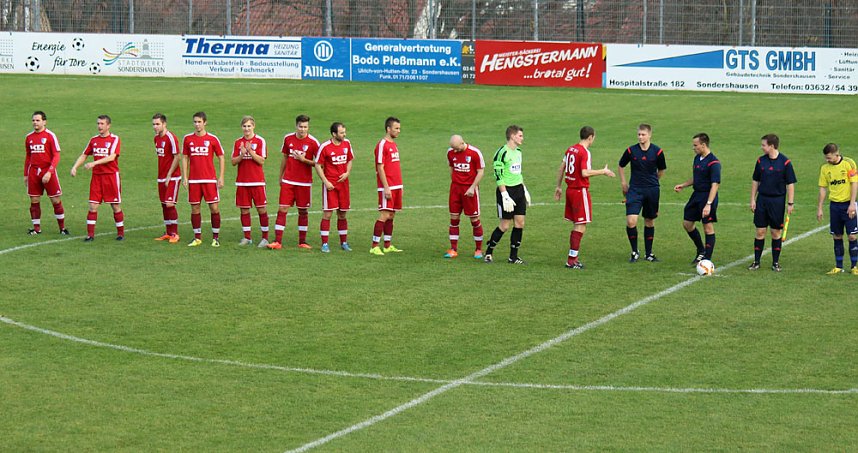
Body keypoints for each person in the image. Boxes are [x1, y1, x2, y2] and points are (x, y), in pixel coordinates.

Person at [553, 126, 615, 269]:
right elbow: (585, 172)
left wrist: (558, 186)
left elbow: (561, 167)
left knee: (577, 224)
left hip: (569, 190)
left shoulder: (570, 149)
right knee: (581, 225)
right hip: (580, 191)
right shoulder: (584, 152)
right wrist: (603, 171)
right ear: (590, 137)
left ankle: (572, 258)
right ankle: (571, 260)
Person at [269, 114, 320, 250]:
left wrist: (305, 161)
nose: (303, 129)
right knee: (282, 208)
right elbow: (285, 158)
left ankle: (302, 241)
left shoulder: (313, 143)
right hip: (288, 180)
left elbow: (320, 163)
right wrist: (281, 176)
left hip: (304, 182)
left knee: (303, 211)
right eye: (300, 126)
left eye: (305, 127)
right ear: (296, 126)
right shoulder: (288, 139)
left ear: (308, 127)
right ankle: (277, 241)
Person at [70, 114, 124, 242]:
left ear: (108, 125)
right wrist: (75, 167)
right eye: (98, 123)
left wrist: (94, 163)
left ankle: (120, 233)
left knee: (115, 206)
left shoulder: (115, 139)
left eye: (102, 124)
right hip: (97, 178)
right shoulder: (93, 140)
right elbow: (84, 155)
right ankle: (90, 235)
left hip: (111, 176)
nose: (99, 126)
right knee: (92, 206)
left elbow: (112, 157)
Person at [618, 123, 666, 263]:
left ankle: (649, 253)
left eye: (643, 134)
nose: (640, 137)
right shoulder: (631, 151)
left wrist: (653, 181)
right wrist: (623, 183)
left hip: (652, 190)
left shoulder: (657, 151)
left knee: (649, 221)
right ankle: (634, 251)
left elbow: (662, 170)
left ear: (649, 135)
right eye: (639, 134)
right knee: (631, 221)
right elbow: (621, 165)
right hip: (634, 190)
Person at [750, 133, 797, 271]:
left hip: (777, 201)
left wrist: (790, 203)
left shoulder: (785, 162)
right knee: (760, 231)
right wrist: (753, 199)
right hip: (762, 200)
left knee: (776, 233)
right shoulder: (760, 161)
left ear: (771, 146)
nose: (762, 147)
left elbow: (790, 184)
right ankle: (756, 261)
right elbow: (755, 181)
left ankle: (775, 263)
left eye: (763, 145)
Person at [484, 125, 530, 264]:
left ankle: (513, 257)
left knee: (520, 223)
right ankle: (489, 252)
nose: (522, 138)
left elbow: (518, 173)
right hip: (506, 192)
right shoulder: (501, 153)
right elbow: (498, 175)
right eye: (520, 135)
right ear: (512, 136)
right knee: (504, 225)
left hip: (518, 190)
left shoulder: (519, 152)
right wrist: (504, 195)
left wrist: (524, 189)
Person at [673, 133, 721, 265]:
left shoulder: (714, 163)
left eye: (695, 145)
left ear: (703, 145)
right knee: (687, 224)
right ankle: (701, 249)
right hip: (696, 195)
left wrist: (709, 204)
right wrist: (683, 185)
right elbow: (697, 178)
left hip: (707, 197)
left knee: (708, 228)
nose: (693, 148)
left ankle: (707, 259)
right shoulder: (697, 159)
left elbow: (715, 184)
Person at [182, 111, 225, 248]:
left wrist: (221, 176)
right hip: (194, 180)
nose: (197, 124)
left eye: (199, 122)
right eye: (195, 122)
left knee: (214, 207)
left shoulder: (212, 139)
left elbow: (221, 157)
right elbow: (184, 157)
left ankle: (216, 237)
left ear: (205, 123)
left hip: (209, 180)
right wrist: (185, 177)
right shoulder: (188, 139)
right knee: (195, 208)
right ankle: (197, 237)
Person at [24, 111, 68, 236]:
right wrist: (25, 175)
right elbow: (28, 156)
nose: (35, 123)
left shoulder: (50, 136)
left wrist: (49, 172)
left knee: (55, 199)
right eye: (33, 120)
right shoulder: (29, 137)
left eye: (37, 120)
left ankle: (62, 228)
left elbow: (56, 155)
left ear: (44, 122)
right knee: (34, 199)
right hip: (33, 172)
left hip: (48, 171)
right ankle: (36, 229)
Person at [816, 143, 858, 274]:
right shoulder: (825, 168)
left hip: (848, 205)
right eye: (826, 158)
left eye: (829, 157)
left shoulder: (849, 163)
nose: (827, 160)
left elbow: (854, 183)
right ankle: (838, 266)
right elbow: (823, 188)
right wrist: (820, 208)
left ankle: (854, 267)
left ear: (836, 153)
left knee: (852, 236)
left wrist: (852, 204)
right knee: (837, 236)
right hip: (834, 206)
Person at [314, 122, 354, 253]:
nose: (344, 135)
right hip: (330, 185)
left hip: (344, 185)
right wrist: (325, 182)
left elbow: (349, 160)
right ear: (334, 134)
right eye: (341, 133)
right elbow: (317, 165)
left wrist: (347, 173)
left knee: (342, 214)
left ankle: (344, 242)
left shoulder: (347, 144)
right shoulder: (325, 147)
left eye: (344, 132)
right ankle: (325, 244)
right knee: (327, 214)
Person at [444, 135, 485, 259]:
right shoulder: (450, 152)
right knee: (454, 219)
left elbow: (480, 171)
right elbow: (451, 167)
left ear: (462, 143)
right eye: (453, 148)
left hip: (470, 190)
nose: (454, 151)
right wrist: (455, 182)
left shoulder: (475, 153)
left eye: (456, 148)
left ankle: (478, 249)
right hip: (456, 189)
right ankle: (453, 249)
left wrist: (472, 187)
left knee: (474, 220)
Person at [231, 115, 269, 247]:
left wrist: (250, 151)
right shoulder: (237, 142)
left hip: (257, 182)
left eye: (249, 126)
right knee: (244, 210)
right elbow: (233, 162)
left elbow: (261, 160)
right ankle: (247, 237)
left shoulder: (260, 141)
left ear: (254, 126)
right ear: (241, 127)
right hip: (242, 182)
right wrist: (242, 154)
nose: (246, 128)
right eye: (244, 126)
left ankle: (265, 238)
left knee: (261, 209)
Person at [370, 117, 404, 255]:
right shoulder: (382, 145)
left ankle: (387, 245)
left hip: (397, 186)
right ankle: (374, 246)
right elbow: (380, 167)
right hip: (388, 186)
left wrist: (400, 186)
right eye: (396, 128)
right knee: (384, 214)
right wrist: (386, 187)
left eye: (399, 128)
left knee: (391, 215)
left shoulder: (393, 144)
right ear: (388, 129)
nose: (398, 131)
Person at [152, 113, 182, 243]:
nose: (155, 127)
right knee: (164, 204)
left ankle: (175, 233)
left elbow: (177, 156)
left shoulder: (171, 138)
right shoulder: (156, 139)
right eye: (153, 124)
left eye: (158, 124)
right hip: (161, 177)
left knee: (170, 204)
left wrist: (169, 174)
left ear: (164, 124)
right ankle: (168, 232)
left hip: (173, 177)